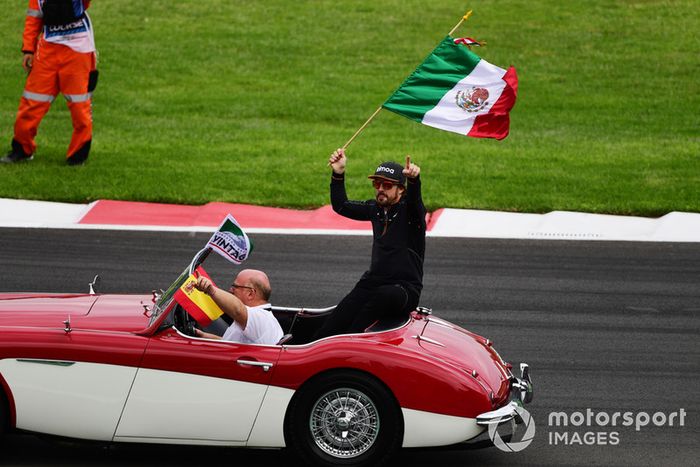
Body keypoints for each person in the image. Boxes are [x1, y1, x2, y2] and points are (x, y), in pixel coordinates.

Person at [314, 148, 427, 339]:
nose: (381, 189)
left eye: (387, 185)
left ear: (401, 189)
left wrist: (414, 181)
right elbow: (341, 205)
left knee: (382, 297)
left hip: (404, 289)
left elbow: (415, 202)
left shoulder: (411, 214)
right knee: (332, 326)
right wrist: (338, 173)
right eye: (377, 183)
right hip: (373, 282)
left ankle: (351, 340)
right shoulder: (374, 208)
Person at [2, 0, 97, 165]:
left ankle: (77, 156)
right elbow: (34, 18)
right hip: (47, 53)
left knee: (79, 107)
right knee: (32, 102)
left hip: (78, 53)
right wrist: (28, 49)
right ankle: (22, 149)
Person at [193, 269, 284, 345]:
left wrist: (210, 290)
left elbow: (237, 310)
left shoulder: (261, 318)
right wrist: (203, 336)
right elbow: (234, 342)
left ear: (250, 294)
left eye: (235, 287)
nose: (230, 290)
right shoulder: (256, 318)